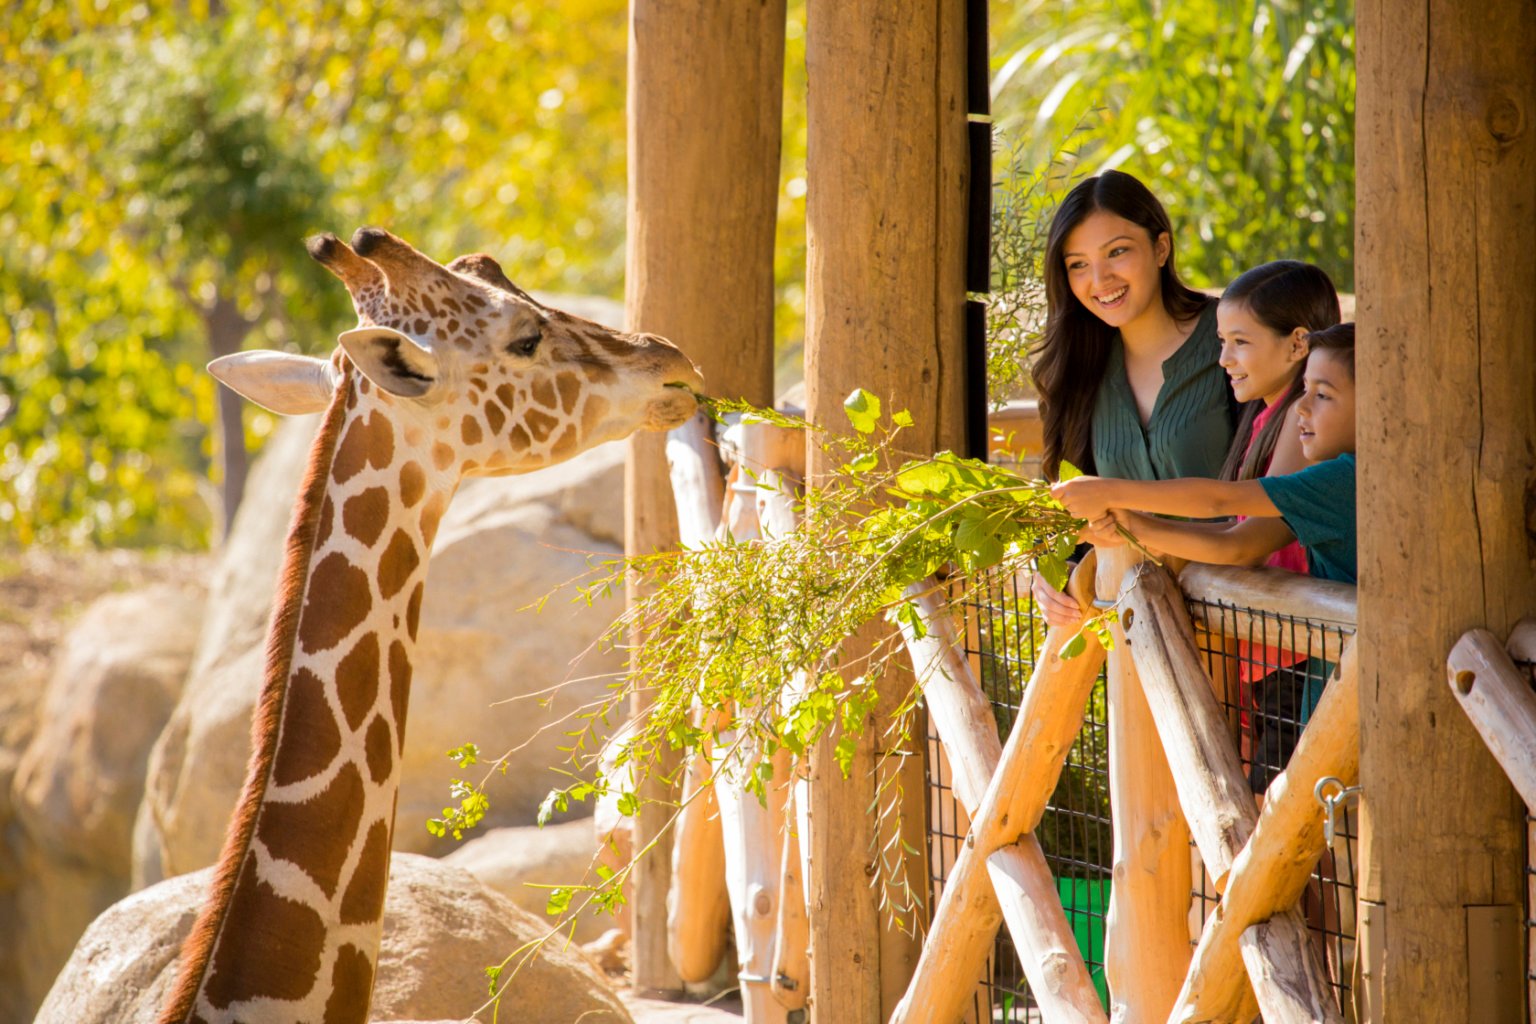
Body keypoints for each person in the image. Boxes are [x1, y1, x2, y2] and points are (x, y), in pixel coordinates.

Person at [1052, 322, 1358, 788]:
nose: (1302, 405)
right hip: (1334, 701)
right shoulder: (1332, 476)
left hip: (1350, 705)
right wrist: (1131, 523)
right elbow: (1232, 540)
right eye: (1305, 390)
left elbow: (1220, 503)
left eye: (1323, 395)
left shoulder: (1344, 479)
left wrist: (1111, 491)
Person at [1029, 169, 1239, 626]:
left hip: (1251, 629)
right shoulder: (1078, 368)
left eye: (1117, 252)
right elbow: (1074, 513)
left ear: (1161, 248)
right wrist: (1049, 569)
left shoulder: (1230, 338)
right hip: (1138, 641)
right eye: (1077, 264)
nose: (1099, 279)